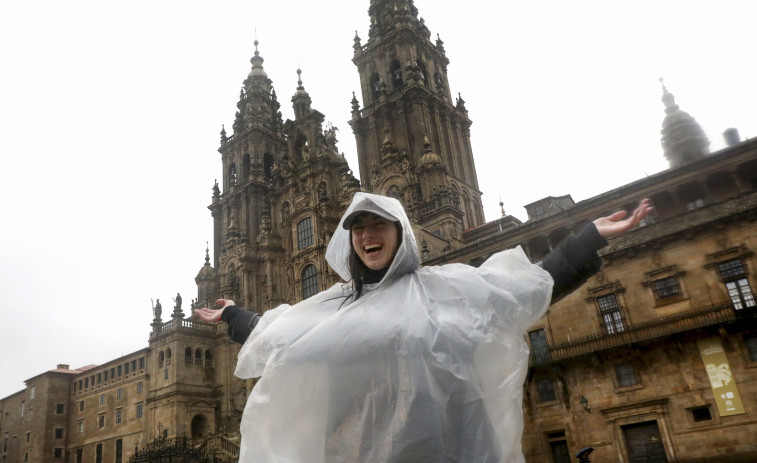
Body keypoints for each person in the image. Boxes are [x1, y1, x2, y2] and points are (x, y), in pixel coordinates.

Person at [195, 192, 652, 463]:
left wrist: (587, 237)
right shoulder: (337, 303)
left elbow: (517, 292)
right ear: (350, 241)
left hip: (447, 443)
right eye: (359, 229)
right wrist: (234, 315)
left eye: (378, 225)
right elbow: (284, 333)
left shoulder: (440, 287)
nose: (368, 235)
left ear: (401, 233)